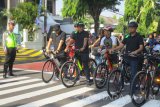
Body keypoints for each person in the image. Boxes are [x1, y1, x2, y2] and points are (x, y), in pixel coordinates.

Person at [109, 21, 144, 92]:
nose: (130, 29)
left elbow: (141, 48)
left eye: (131, 27)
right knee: (122, 71)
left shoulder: (139, 37)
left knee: (133, 74)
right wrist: (113, 49)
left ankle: (132, 89)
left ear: (135, 28)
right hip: (127, 57)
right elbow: (121, 45)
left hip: (135, 58)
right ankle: (121, 86)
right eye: (129, 27)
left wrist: (135, 52)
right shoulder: (127, 36)